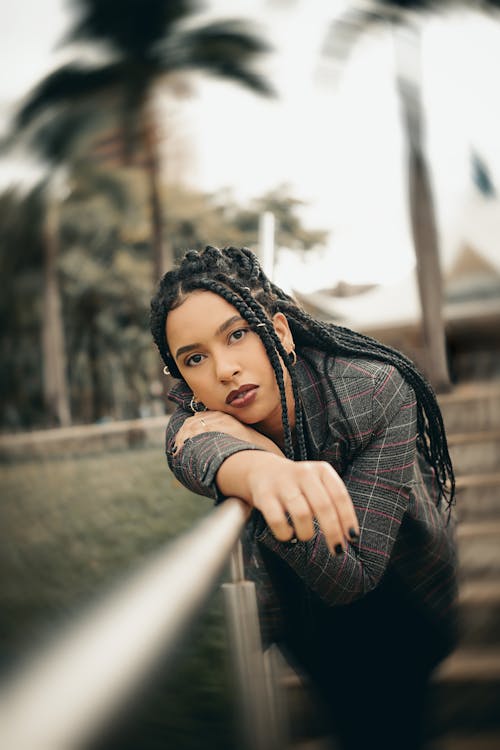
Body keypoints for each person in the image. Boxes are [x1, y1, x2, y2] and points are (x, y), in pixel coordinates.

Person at [150, 245, 458, 750]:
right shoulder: (200, 417)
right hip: (304, 619)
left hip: (403, 597)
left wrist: (272, 483)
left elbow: (353, 576)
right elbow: (187, 449)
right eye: (196, 358)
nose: (224, 369)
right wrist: (259, 468)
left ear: (280, 331)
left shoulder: (374, 390)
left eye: (237, 335)